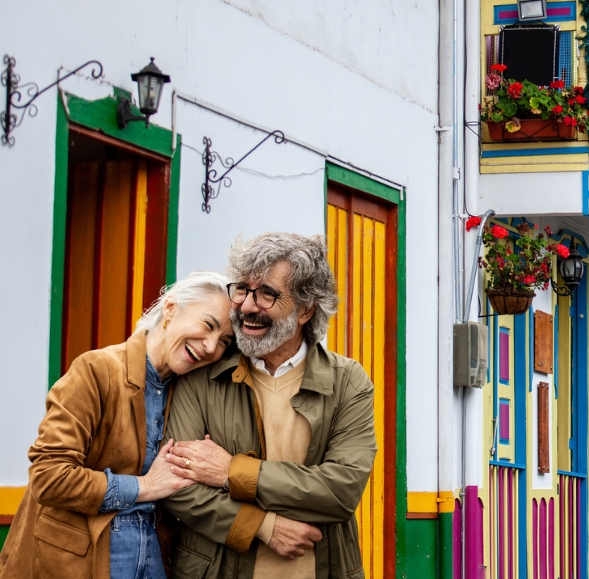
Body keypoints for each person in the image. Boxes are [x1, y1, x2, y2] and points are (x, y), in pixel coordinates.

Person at [162, 232, 376, 579]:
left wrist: (232, 471)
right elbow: (178, 485)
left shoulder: (347, 382)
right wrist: (263, 526)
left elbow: (341, 489)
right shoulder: (204, 372)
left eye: (267, 294)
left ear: (305, 309)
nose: (247, 306)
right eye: (243, 289)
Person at [0, 272, 235, 579]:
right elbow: (49, 477)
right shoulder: (97, 370)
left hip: (153, 561)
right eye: (208, 325)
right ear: (170, 309)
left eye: (224, 342)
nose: (210, 346)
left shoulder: (189, 392)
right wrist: (145, 486)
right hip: (73, 565)